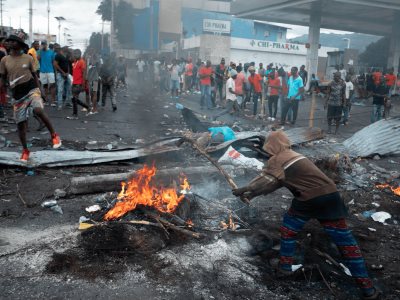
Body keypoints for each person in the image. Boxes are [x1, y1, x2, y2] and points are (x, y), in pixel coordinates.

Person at [232, 131, 381, 300]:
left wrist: (245, 189)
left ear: (272, 145)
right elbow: (275, 183)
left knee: (289, 229)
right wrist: (252, 195)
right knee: (346, 243)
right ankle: (368, 289)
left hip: (308, 200)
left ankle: (284, 268)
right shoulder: (295, 155)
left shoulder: (278, 159)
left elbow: (265, 180)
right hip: (331, 197)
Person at [0, 35, 61, 161]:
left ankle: (54, 135)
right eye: (9, 41)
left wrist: (41, 92)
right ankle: (25, 150)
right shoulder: (4, 60)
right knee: (21, 127)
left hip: (32, 90)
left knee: (38, 110)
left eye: (13, 41)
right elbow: (3, 78)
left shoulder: (28, 58)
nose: (10, 43)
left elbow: (35, 75)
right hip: (17, 96)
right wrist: (2, 88)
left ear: (19, 44)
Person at [68, 49, 89, 119]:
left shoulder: (81, 62)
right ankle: (87, 107)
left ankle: (75, 114)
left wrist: (83, 85)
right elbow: (70, 59)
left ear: (79, 54)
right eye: (74, 54)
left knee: (74, 99)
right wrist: (71, 53)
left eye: (75, 54)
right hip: (74, 82)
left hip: (78, 84)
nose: (74, 55)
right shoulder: (75, 61)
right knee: (74, 99)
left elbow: (84, 74)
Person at [37, 40, 56, 106]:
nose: (43, 45)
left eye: (44, 44)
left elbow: (53, 62)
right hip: (42, 71)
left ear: (46, 44)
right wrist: (40, 50)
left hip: (50, 71)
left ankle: (53, 101)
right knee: (44, 86)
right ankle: (46, 100)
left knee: (52, 86)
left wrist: (55, 71)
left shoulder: (51, 52)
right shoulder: (39, 52)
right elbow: (38, 58)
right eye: (42, 44)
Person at [53, 45, 71, 110]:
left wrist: (68, 72)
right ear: (63, 48)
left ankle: (67, 103)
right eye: (67, 48)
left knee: (69, 88)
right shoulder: (58, 55)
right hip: (60, 74)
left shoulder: (66, 55)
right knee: (60, 90)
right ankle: (60, 105)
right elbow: (55, 64)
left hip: (66, 74)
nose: (68, 49)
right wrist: (62, 72)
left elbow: (68, 64)